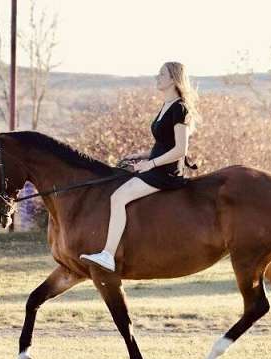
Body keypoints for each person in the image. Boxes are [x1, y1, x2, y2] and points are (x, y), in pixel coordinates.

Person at [79, 61, 201, 273]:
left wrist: (150, 164)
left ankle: (108, 255)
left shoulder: (180, 108)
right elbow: (165, 144)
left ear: (173, 79)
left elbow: (180, 149)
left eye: (161, 74)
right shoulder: (166, 106)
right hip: (156, 165)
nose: (157, 77)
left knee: (117, 197)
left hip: (167, 172)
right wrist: (142, 155)